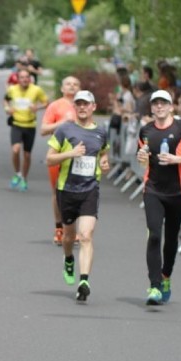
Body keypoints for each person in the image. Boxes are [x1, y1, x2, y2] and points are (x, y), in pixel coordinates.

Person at [136, 89, 181, 305]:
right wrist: (141, 158)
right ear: (152, 107)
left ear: (171, 106)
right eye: (155, 103)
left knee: (171, 238)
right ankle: (154, 285)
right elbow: (144, 161)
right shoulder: (145, 130)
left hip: (178, 191)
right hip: (153, 190)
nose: (159, 107)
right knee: (154, 235)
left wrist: (176, 159)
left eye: (163, 103)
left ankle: (166, 276)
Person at [45, 90, 110, 302]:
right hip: (67, 190)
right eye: (78, 104)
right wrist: (70, 154)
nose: (82, 107)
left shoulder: (101, 132)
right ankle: (68, 258)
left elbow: (104, 153)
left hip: (90, 189)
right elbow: (49, 159)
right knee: (69, 237)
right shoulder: (65, 129)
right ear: (75, 107)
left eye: (86, 104)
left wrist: (104, 162)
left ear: (93, 107)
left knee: (86, 236)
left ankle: (84, 280)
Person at [41, 76, 80, 245]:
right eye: (68, 84)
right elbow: (43, 130)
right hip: (58, 155)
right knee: (58, 193)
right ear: (62, 88)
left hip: (79, 155)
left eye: (75, 84)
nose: (72, 86)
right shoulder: (55, 106)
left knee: (78, 193)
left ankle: (72, 229)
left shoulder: (84, 106)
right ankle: (59, 228)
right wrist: (62, 122)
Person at [4, 69, 48, 191]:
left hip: (30, 125)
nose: (24, 79)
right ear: (18, 79)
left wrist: (37, 107)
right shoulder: (12, 89)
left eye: (26, 77)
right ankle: (17, 173)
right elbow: (6, 99)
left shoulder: (36, 90)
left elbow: (46, 103)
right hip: (17, 124)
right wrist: (7, 108)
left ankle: (24, 177)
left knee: (27, 155)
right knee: (16, 149)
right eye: (22, 77)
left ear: (30, 78)